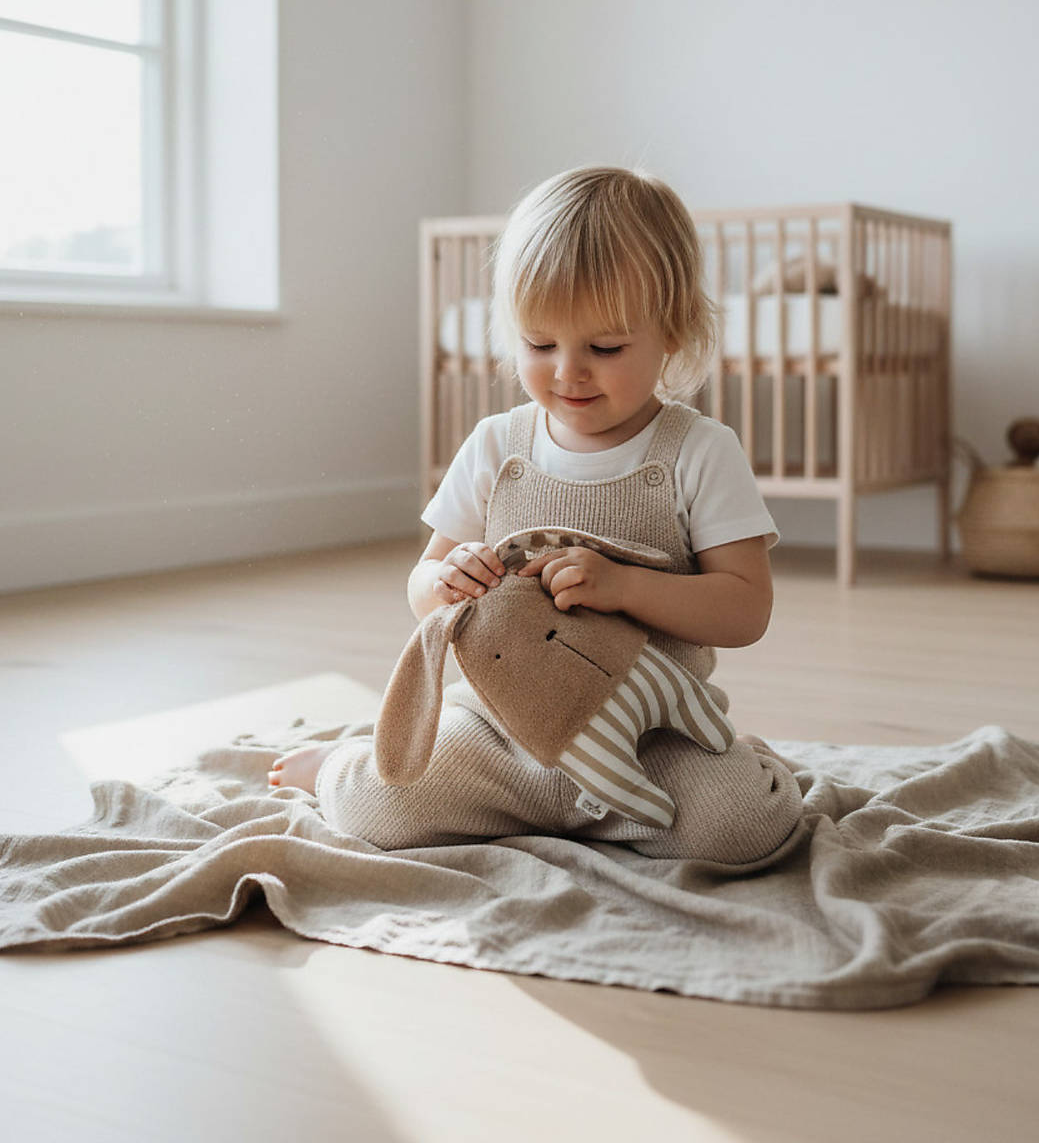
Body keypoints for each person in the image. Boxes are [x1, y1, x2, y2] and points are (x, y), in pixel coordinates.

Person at [269, 166, 804, 869]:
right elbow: (422, 585)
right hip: (499, 727)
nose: (567, 373)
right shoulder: (498, 445)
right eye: (540, 344)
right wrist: (445, 582)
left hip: (648, 741)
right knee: (382, 804)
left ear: (672, 333)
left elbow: (745, 610)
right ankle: (342, 765)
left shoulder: (699, 452)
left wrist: (625, 587)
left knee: (738, 830)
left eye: (605, 348)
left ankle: (732, 770)